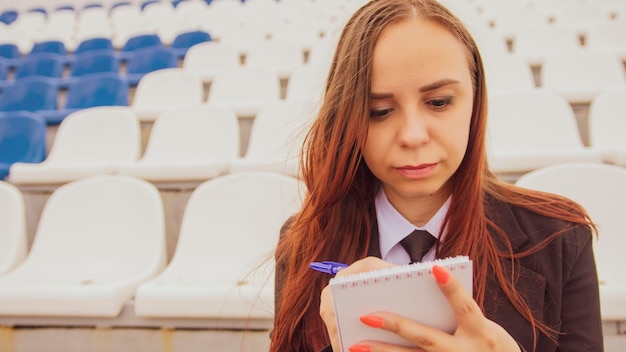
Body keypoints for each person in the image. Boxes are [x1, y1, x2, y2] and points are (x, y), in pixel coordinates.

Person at [270, 0, 603, 351]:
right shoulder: (304, 243)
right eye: (379, 111)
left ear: (476, 101)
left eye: (439, 102)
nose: (413, 135)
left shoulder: (561, 237)